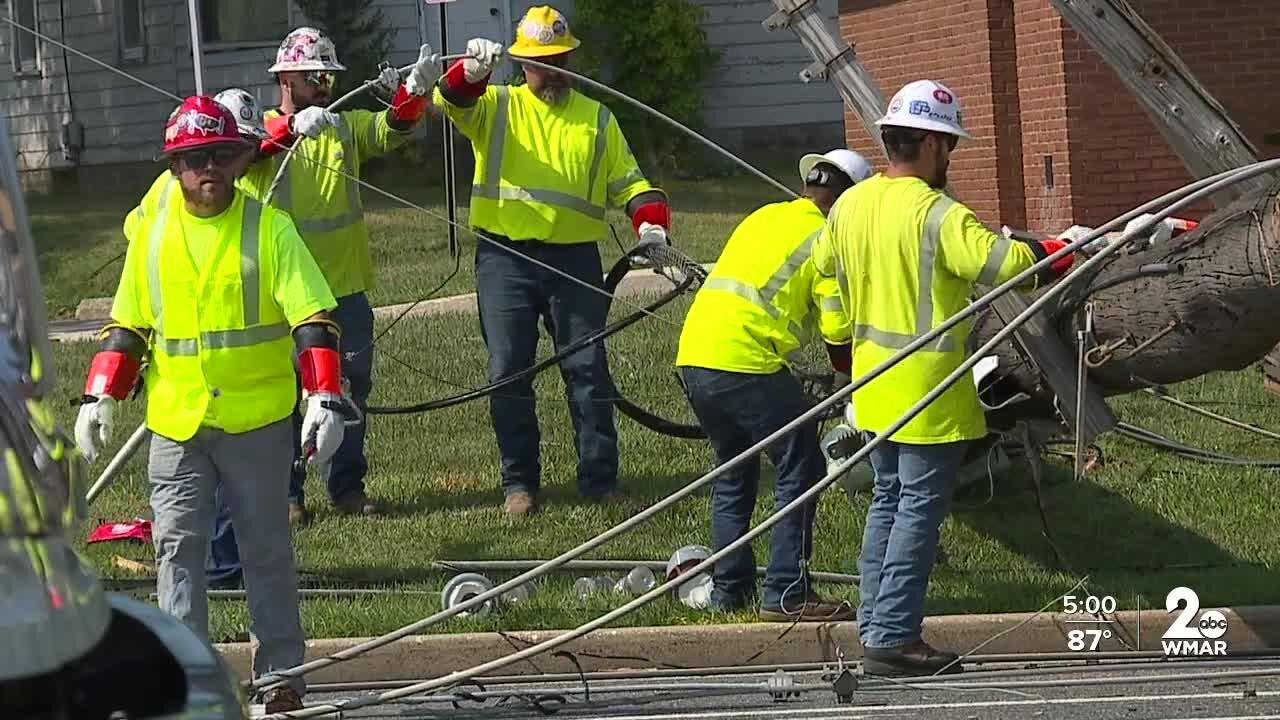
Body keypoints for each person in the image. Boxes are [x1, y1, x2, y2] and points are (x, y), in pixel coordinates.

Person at [73, 96, 348, 712]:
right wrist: (100, 395)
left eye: (220, 155)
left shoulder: (269, 228)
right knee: (177, 554)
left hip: (256, 422)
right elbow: (129, 326)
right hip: (176, 424)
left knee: (266, 554)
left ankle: (281, 682)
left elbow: (313, 318)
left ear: (239, 157)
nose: (208, 169)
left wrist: (324, 394)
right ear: (174, 167)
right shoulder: (152, 236)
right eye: (195, 158)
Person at [811, 80, 1076, 676]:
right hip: (927, 392)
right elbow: (1003, 266)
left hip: (873, 388)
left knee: (887, 503)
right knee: (917, 513)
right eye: (949, 145)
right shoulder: (939, 213)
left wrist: (839, 343)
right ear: (930, 144)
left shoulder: (851, 204)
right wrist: (1055, 250)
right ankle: (895, 637)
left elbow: (824, 270)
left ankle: (875, 624)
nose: (950, 157)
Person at [431, 6, 674, 517]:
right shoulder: (496, 106)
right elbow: (449, 99)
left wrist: (650, 225)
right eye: (544, 62)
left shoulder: (596, 118)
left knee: (588, 368)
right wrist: (471, 72)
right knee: (508, 371)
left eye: (561, 59)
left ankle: (599, 479)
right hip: (504, 258)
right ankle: (519, 484)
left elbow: (631, 183)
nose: (555, 70)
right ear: (522, 63)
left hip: (575, 260)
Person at [244, 26, 438, 523]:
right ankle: (287, 494)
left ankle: (347, 488)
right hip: (285, 294)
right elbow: (245, 156)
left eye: (329, 75)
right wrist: (288, 132)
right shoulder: (261, 128)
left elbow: (392, 128)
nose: (326, 83)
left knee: (350, 390)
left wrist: (414, 93)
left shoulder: (342, 126)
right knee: (287, 397)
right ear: (286, 77)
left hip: (345, 289)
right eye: (315, 75)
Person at [676, 149, 872, 621]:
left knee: (734, 471)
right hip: (748, 361)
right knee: (801, 464)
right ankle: (787, 591)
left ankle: (730, 591)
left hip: (696, 355)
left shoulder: (765, 215)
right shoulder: (826, 236)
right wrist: (846, 376)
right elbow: (835, 322)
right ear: (846, 202)